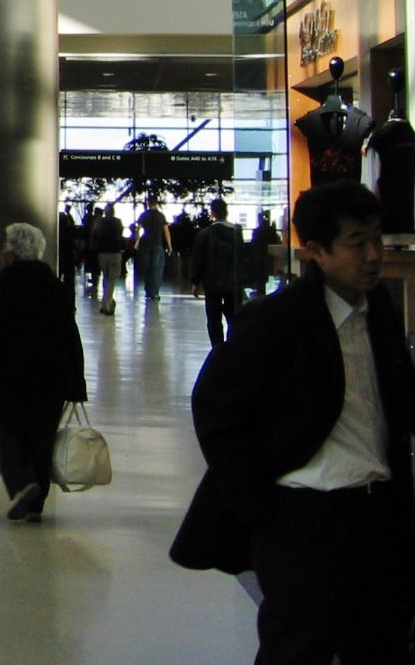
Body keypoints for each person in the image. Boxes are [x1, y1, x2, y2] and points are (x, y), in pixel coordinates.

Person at [170, 181, 415, 662]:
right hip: (305, 519)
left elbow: (401, 397)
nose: (373, 255)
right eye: (356, 243)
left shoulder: (380, 311)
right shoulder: (277, 320)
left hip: (378, 514)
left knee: (380, 644)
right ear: (316, 252)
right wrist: (258, 507)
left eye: (377, 239)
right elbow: (215, 407)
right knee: (298, 647)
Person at [0, 222, 87, 523]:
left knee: (6, 428)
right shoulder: (55, 287)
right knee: (42, 437)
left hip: (9, 377)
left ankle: (22, 484)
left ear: (13, 252)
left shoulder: (3, 286)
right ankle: (36, 504)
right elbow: (70, 335)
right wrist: (76, 381)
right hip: (50, 379)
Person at [189, 197, 242, 347]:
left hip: (212, 282)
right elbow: (242, 257)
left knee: (213, 318)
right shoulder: (236, 233)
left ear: (213, 213)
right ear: (226, 212)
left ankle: (217, 348)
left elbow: (198, 259)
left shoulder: (205, 234)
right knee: (234, 317)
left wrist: (195, 282)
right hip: (232, 282)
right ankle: (232, 345)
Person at [133, 196, 171, 303]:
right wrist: (169, 245)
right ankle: (155, 292)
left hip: (145, 244)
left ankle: (148, 290)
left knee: (147, 267)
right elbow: (166, 231)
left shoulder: (144, 215)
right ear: (156, 203)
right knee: (157, 269)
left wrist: (137, 241)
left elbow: (138, 230)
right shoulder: (161, 216)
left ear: (148, 203)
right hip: (158, 244)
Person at [92, 203, 126, 314]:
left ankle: (104, 303)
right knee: (112, 279)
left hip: (102, 253)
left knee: (106, 277)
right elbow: (120, 234)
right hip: (115, 252)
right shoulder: (118, 222)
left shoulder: (99, 222)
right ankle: (107, 305)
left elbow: (95, 236)